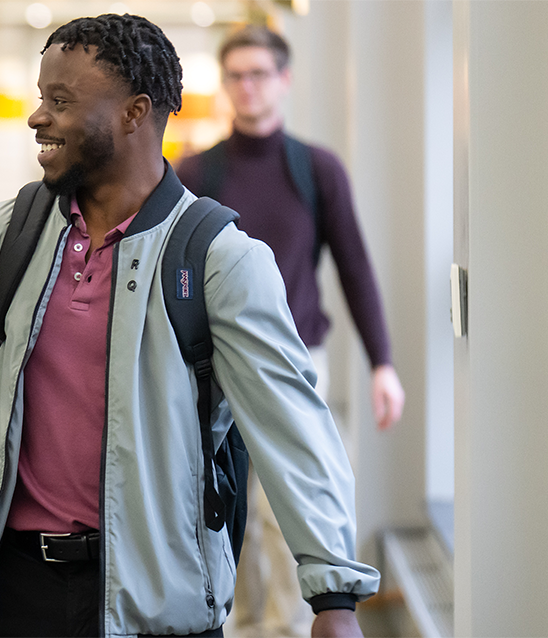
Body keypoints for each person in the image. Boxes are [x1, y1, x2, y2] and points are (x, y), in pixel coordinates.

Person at [0, 14, 378, 638]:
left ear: (134, 112)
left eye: (60, 102)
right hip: (17, 594)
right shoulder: (0, 238)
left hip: (158, 601)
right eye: (42, 99)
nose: (38, 117)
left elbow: (293, 428)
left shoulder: (221, 259)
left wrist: (334, 595)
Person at [175, 26, 404, 638]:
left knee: (289, 510)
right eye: (236, 76)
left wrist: (383, 363)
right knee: (227, 505)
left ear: (284, 80)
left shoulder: (316, 169)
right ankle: (246, 623)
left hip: (298, 364)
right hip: (214, 373)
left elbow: (354, 266)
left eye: (259, 74)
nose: (247, 87)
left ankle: (287, 626)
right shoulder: (198, 172)